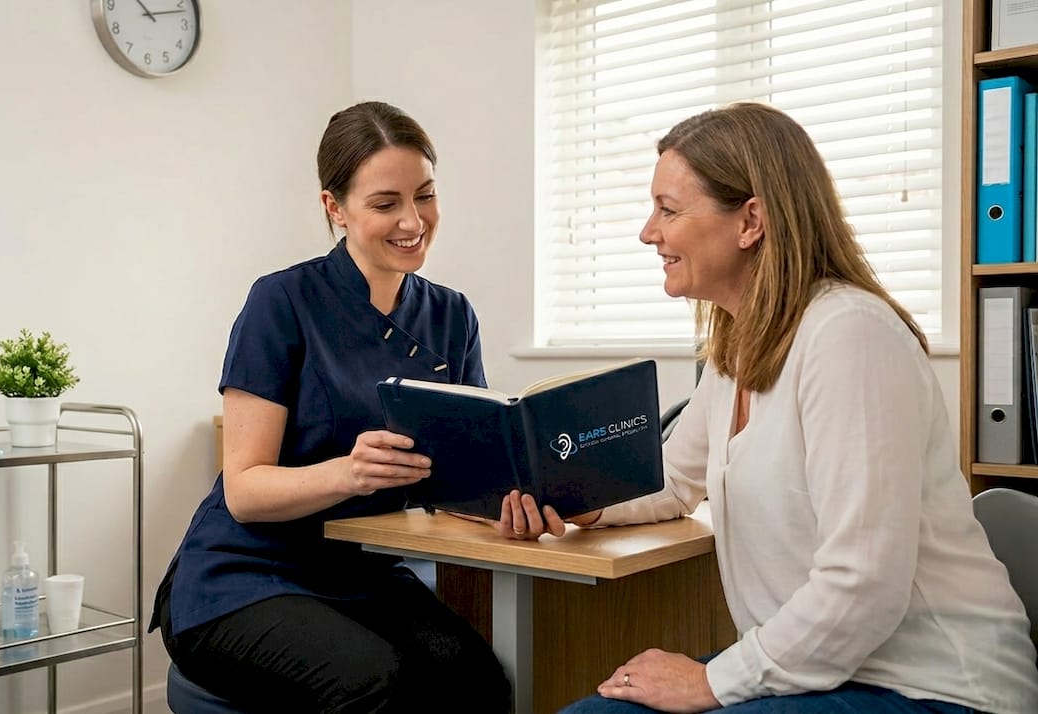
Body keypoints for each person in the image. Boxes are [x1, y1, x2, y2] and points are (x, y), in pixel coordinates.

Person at [509, 102, 1038, 714]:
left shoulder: (850, 336)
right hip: (815, 668)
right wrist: (582, 499)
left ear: (750, 221)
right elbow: (672, 481)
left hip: (933, 686)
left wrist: (708, 683)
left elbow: (863, 582)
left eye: (668, 210)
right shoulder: (739, 344)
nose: (649, 232)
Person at [148, 100, 511, 713]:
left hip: (362, 574)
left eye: (425, 196)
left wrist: (518, 491)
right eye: (385, 203)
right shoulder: (281, 301)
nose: (413, 220)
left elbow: (466, 470)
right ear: (334, 208)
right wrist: (350, 472)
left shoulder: (452, 315)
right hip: (244, 577)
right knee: (375, 683)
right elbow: (244, 490)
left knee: (475, 680)